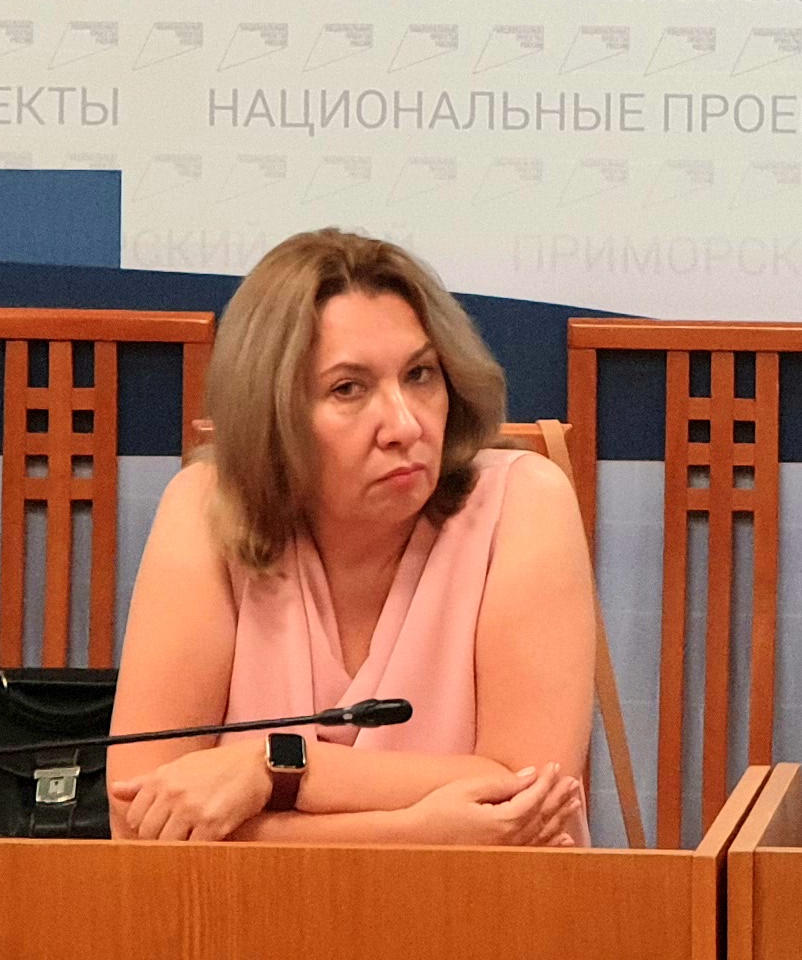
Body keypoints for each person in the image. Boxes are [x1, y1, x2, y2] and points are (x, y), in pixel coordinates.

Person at [107, 230, 596, 844]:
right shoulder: (206, 509)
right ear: (273, 412)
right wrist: (418, 834)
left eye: (420, 375)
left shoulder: (522, 502)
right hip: (246, 911)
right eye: (348, 388)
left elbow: (528, 797)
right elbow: (139, 824)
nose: (404, 424)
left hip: (490, 907)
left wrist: (274, 769)